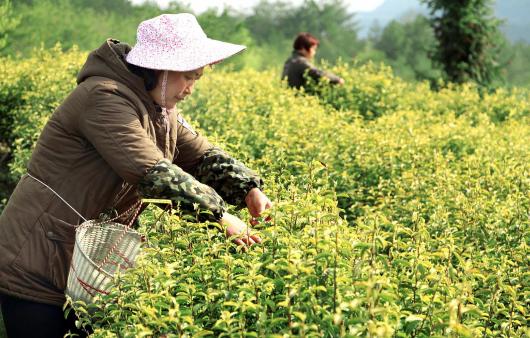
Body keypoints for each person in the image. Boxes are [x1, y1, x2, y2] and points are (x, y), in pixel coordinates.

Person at [0, 13, 272, 338]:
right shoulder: (104, 98)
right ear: (159, 67)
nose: (191, 88)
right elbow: (150, 172)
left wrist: (247, 187)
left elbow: (200, 154)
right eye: (188, 76)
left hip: (86, 260)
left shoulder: (160, 109)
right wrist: (220, 216)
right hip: (38, 259)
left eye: (197, 77)